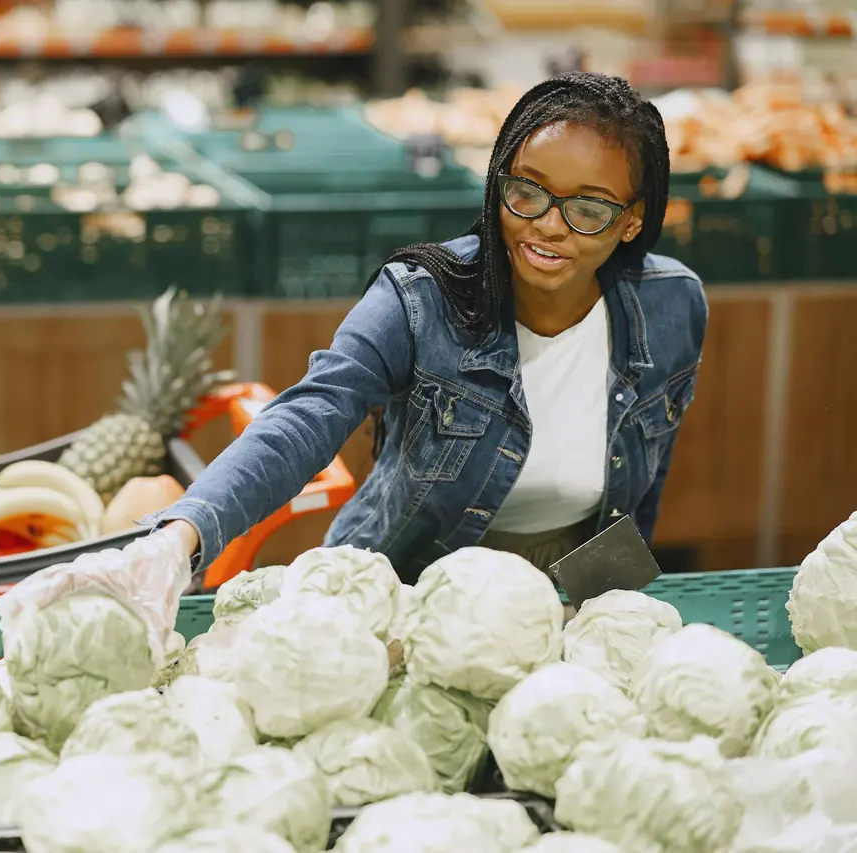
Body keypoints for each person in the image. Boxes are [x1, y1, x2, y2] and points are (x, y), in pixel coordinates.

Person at [147, 71, 708, 586]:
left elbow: (639, 495)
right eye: (528, 192)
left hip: (561, 590)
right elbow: (307, 417)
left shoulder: (669, 308)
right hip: (402, 589)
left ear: (633, 219)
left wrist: (609, 607)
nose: (547, 226)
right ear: (498, 182)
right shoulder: (421, 298)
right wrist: (181, 536)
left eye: (588, 209)